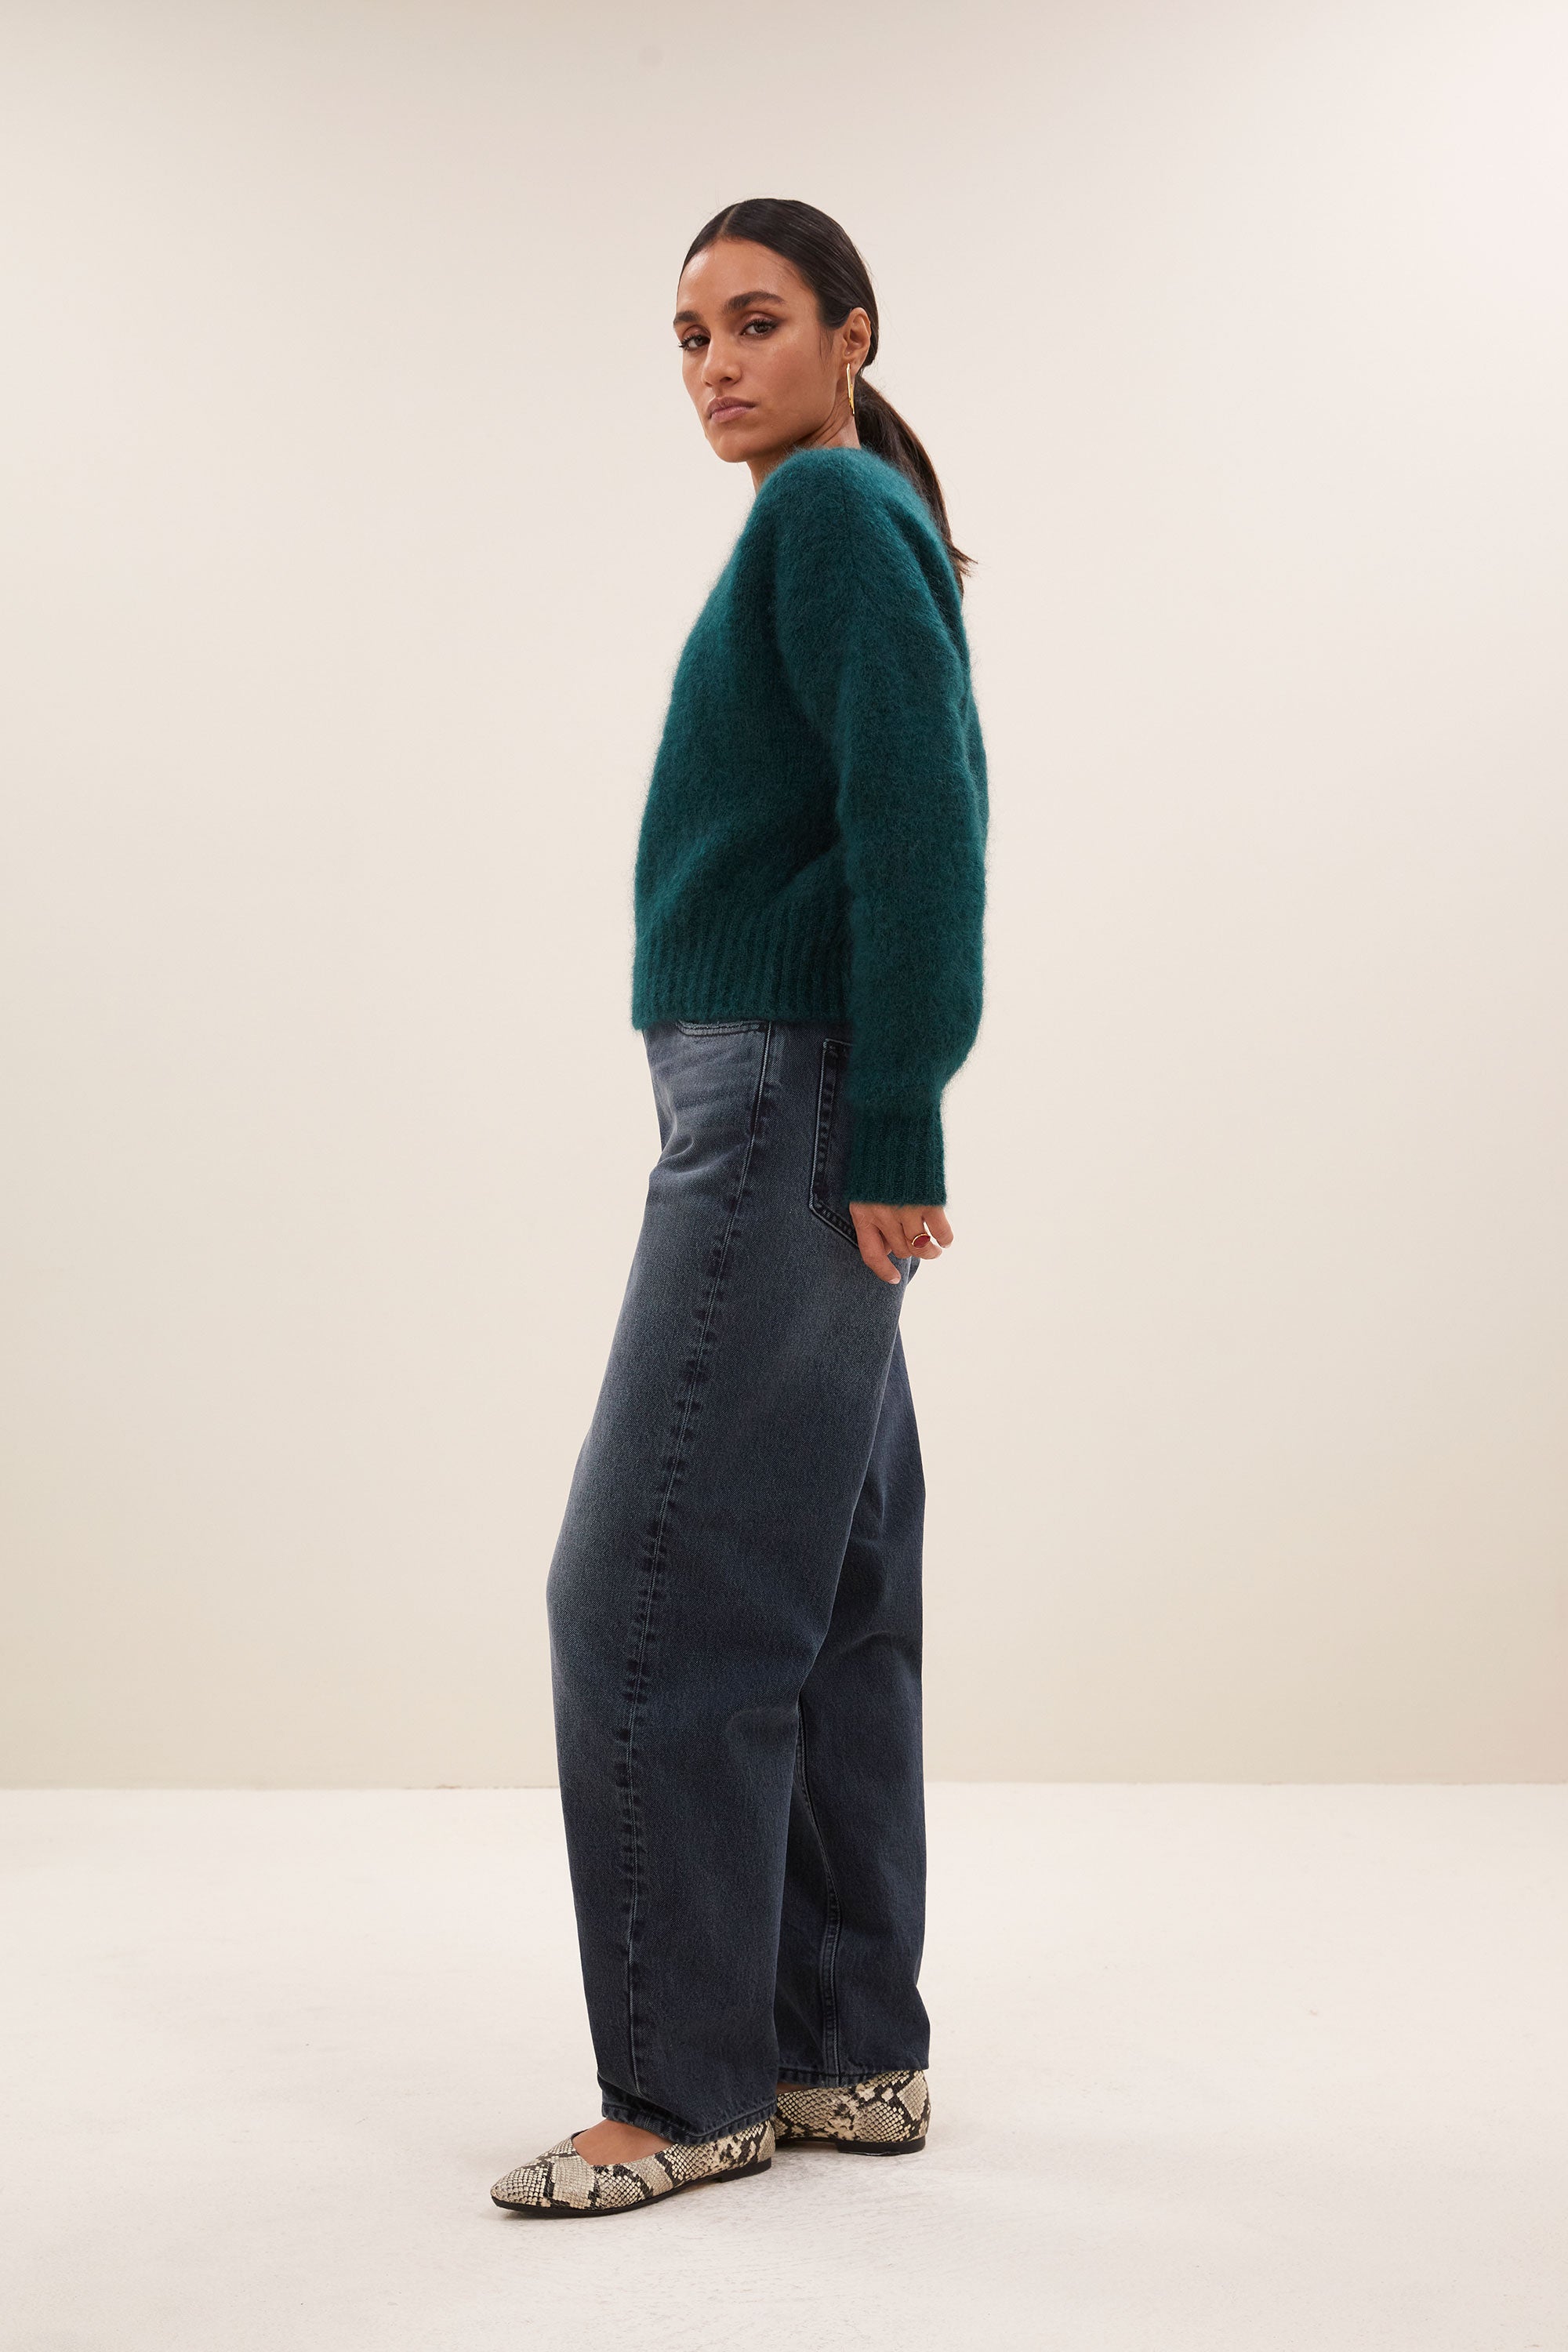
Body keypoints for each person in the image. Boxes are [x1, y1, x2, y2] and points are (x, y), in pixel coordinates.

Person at [491, 197, 988, 2218]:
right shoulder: (834, 517)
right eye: (689, 335)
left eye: (756, 322)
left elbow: (923, 819)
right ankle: (847, 2051)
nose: (714, 364)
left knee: (648, 1588)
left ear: (853, 332)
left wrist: (898, 1122)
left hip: (785, 1098)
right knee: (834, 1587)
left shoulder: (831, 514)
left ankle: (683, 2090)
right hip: (794, 1086)